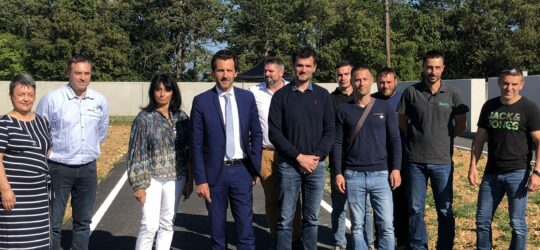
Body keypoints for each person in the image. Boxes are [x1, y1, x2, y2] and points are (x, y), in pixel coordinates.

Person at [191, 49, 263, 250]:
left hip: (242, 171)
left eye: (229, 70)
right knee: (217, 231)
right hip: (215, 175)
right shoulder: (201, 101)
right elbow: (196, 144)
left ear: (236, 72)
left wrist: (254, 166)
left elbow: (257, 134)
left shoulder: (247, 98)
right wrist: (201, 180)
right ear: (214, 73)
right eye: (220, 70)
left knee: (246, 229)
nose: (225, 75)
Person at [397, 50, 469, 250]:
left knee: (445, 209)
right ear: (423, 67)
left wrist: (443, 138)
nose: (433, 71)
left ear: (443, 68)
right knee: (415, 208)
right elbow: (402, 121)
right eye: (429, 67)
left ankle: (444, 246)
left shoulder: (454, 94)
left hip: (442, 161)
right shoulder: (411, 92)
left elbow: (461, 124)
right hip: (414, 162)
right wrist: (416, 138)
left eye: (437, 67)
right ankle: (419, 246)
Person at [36, 55, 110, 250]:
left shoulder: (99, 101)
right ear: (69, 74)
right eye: (78, 73)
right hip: (59, 168)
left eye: (87, 73)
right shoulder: (52, 99)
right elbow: (40, 130)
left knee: (83, 221)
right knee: (54, 221)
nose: (82, 77)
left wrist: (88, 149)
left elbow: (101, 131)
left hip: (87, 169)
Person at [269, 47, 335, 250]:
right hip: (289, 166)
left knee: (312, 218)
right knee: (285, 219)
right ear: (293, 66)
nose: (303, 69)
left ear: (314, 68)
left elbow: (330, 131)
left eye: (308, 65)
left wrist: (315, 157)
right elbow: (275, 133)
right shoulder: (281, 96)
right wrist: (299, 157)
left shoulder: (324, 96)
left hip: (316, 166)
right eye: (300, 65)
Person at [468, 67, 540, 250]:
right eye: (506, 83)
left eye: (514, 84)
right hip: (491, 174)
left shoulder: (529, 108)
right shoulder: (489, 106)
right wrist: (472, 166)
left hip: (518, 174)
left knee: (517, 224)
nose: (509, 88)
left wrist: (537, 172)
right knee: (482, 221)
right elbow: (479, 138)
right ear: (499, 83)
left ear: (521, 85)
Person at [333, 66, 401, 250]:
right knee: (357, 226)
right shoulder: (344, 110)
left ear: (371, 81)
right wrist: (338, 173)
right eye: (357, 79)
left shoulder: (384, 107)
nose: (361, 83)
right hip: (353, 175)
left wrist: (396, 168)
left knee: (386, 225)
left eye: (364, 79)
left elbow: (395, 139)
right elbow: (337, 143)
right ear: (352, 82)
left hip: (381, 174)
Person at [127, 74, 193, 250]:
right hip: (152, 179)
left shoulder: (182, 117)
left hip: (177, 178)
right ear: (152, 92)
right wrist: (138, 185)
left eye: (167, 89)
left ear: (173, 92)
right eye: (158, 89)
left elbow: (188, 151)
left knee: (167, 223)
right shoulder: (144, 118)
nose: (162, 93)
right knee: (149, 225)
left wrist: (189, 179)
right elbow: (136, 152)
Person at [249, 57, 302, 249]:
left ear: (281, 73)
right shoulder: (254, 92)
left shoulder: (293, 90)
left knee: (292, 198)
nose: (267, 74)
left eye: (271, 71)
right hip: (266, 152)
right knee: (271, 199)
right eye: (265, 71)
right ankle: (276, 237)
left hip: (290, 153)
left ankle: (295, 237)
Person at [0, 74, 51, 249]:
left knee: (39, 242)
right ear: (11, 96)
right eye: (21, 94)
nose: (26, 99)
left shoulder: (42, 122)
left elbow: (46, 152)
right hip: (15, 196)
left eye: (30, 94)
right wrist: (5, 190)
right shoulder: (4, 123)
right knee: (17, 243)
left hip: (39, 198)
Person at [330, 60, 371, 250]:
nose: (343, 78)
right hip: (340, 160)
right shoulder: (330, 100)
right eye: (339, 75)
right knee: (339, 205)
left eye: (346, 74)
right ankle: (340, 241)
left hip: (362, 162)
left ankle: (368, 241)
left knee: (366, 208)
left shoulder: (363, 99)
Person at [373, 67, 409, 249]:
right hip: (379, 160)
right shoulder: (371, 100)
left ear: (396, 81)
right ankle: (380, 240)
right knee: (380, 205)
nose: (385, 85)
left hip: (403, 159)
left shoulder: (405, 98)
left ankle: (403, 241)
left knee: (402, 203)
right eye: (382, 82)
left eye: (388, 82)